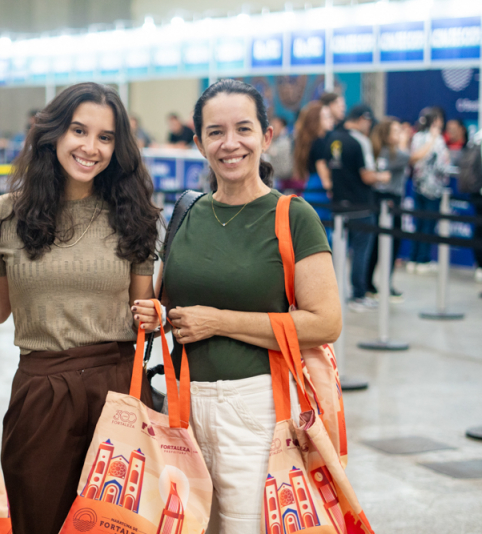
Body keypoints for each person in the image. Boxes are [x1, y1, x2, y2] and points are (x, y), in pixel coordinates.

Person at [133, 79, 341, 534]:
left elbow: (326, 322)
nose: (230, 144)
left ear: (266, 136)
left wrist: (219, 322)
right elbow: (172, 303)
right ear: (199, 142)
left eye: (243, 129)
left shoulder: (293, 216)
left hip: (256, 408)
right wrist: (156, 313)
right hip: (180, 406)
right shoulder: (185, 212)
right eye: (215, 132)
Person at [0, 82, 162, 534]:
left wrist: (158, 314)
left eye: (105, 137)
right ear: (54, 134)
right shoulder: (9, 214)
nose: (91, 147)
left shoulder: (133, 215)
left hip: (118, 389)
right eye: (79, 131)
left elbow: (144, 309)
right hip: (41, 392)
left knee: (119, 524)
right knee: (35, 517)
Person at [326, 104, 391, 311]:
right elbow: (367, 175)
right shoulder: (360, 141)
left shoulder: (333, 138)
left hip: (338, 204)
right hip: (360, 206)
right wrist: (383, 176)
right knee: (360, 253)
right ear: (363, 119)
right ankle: (359, 295)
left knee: (337, 252)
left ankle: (331, 296)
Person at [366, 117, 410, 301]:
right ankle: (377, 284)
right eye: (396, 131)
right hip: (389, 201)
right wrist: (406, 140)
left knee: (378, 244)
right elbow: (410, 157)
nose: (399, 134)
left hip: (380, 200)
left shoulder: (378, 151)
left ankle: (371, 283)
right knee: (386, 244)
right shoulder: (393, 153)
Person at [407, 107, 451, 274]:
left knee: (418, 223)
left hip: (417, 186)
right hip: (433, 189)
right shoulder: (437, 140)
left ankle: (413, 258)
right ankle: (423, 260)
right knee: (428, 224)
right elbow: (442, 165)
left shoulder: (416, 137)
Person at [296, 101, 333, 222]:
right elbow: (321, 167)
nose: (330, 119)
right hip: (320, 189)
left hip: (311, 185)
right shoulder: (319, 142)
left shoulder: (308, 141)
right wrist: (330, 188)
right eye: (326, 116)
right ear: (317, 119)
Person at [263, 116, 293, 187]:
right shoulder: (277, 141)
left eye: (274, 126)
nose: (272, 130)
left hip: (285, 181)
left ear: (283, 127)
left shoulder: (286, 141)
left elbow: (272, 151)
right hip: (277, 179)